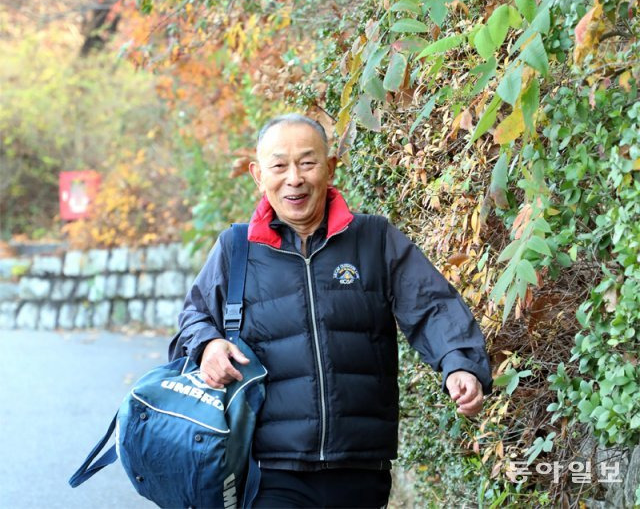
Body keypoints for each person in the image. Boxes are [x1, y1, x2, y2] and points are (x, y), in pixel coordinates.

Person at [169, 113, 492, 507]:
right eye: (279, 166)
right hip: (268, 468)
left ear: (330, 167)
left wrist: (458, 362)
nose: (294, 178)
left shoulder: (373, 239)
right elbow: (194, 318)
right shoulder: (237, 249)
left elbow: (430, 304)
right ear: (258, 175)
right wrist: (208, 346)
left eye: (307, 162)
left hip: (360, 465)